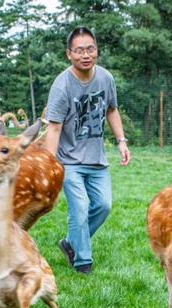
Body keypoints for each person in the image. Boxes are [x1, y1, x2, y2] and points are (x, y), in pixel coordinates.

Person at [46, 26, 131, 274]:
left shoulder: (105, 78)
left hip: (97, 159)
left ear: (97, 51)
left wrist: (122, 141)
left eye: (90, 49)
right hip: (69, 161)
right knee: (80, 208)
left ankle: (70, 243)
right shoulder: (62, 86)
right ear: (69, 54)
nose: (86, 55)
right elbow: (53, 128)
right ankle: (83, 262)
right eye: (80, 50)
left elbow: (112, 109)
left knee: (103, 206)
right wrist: (51, 166)